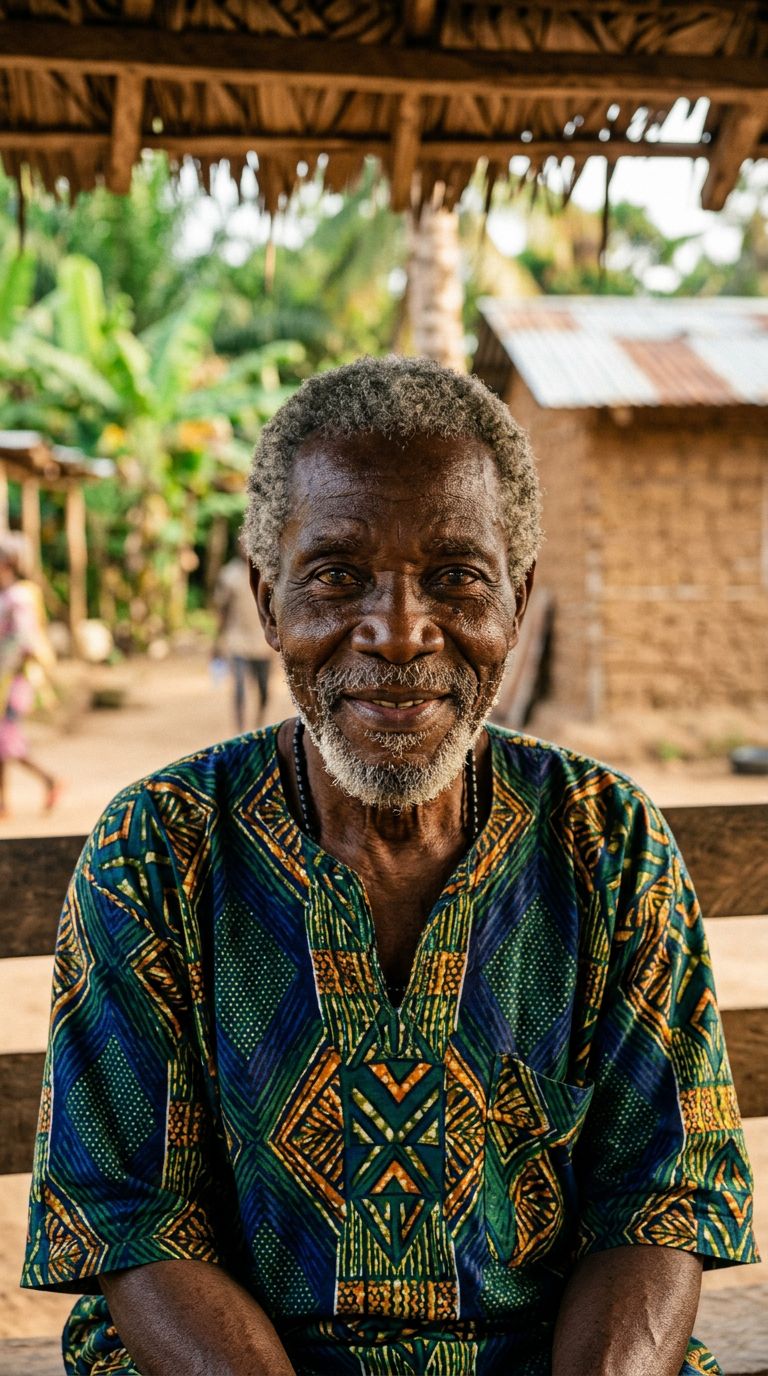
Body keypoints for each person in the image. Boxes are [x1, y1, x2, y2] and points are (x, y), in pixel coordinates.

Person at [22, 357, 757, 1376]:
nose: (401, 632)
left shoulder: (609, 841)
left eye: (457, 574)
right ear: (268, 600)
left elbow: (658, 1197)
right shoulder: (157, 849)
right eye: (336, 575)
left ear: (520, 598)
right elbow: (132, 1218)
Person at [0, 533, 60, 818]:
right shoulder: (6, 597)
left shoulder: (18, 597)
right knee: (4, 741)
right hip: (5, 679)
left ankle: (48, 780)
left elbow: (25, 643)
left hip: (12, 682)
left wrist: (6, 674)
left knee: (4, 740)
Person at [213, 542, 276, 733]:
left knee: (264, 691)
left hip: (262, 641)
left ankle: (258, 724)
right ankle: (240, 730)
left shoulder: (269, 573)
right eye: (241, 544)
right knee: (239, 688)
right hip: (237, 640)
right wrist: (216, 642)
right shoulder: (229, 575)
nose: (245, 548)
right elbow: (222, 611)